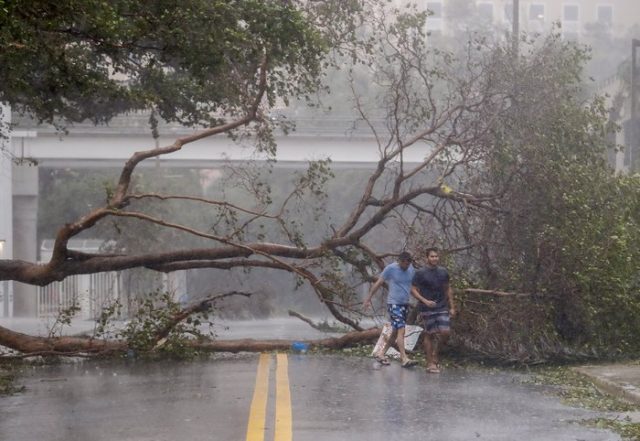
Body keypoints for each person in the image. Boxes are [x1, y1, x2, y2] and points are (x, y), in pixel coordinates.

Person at [363, 251, 420, 367]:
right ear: (399, 261)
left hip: (404, 304)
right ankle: (404, 358)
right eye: (403, 262)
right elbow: (379, 282)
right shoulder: (391, 269)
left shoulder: (411, 270)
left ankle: (381, 353)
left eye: (408, 263)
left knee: (395, 332)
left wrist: (423, 299)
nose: (405, 265)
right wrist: (368, 298)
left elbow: (413, 288)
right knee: (401, 329)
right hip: (393, 303)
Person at [411, 247, 456, 373]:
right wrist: (424, 300)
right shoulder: (420, 273)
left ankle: (436, 353)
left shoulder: (443, 272)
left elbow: (448, 289)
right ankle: (430, 362)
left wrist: (452, 307)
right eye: (432, 256)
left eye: (436, 256)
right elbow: (413, 289)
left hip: (441, 306)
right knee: (429, 334)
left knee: (445, 332)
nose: (434, 258)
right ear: (427, 258)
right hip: (426, 308)